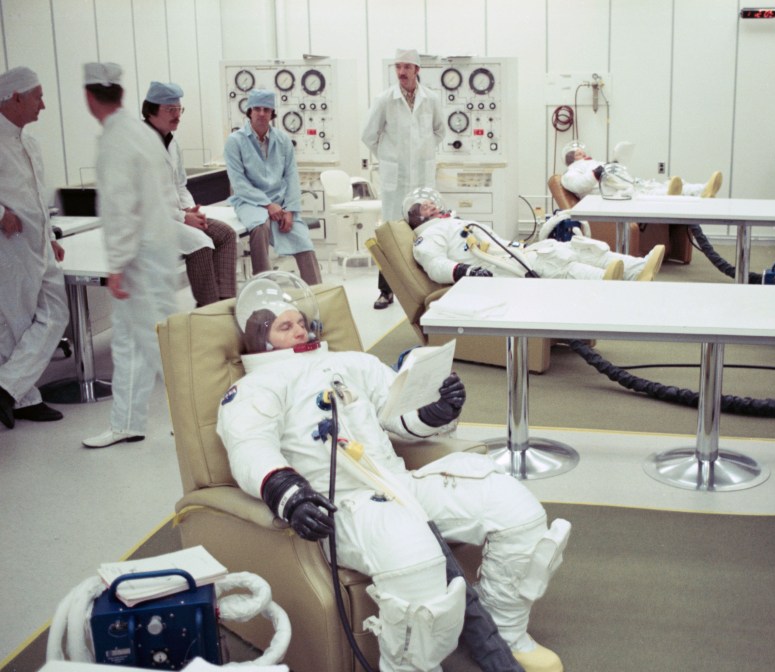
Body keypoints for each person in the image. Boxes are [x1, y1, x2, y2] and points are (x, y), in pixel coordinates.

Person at [218, 271, 570, 672]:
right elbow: (249, 446)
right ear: (257, 337)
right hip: (342, 508)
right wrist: (289, 492)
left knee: (515, 509)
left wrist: (434, 411)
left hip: (399, 484)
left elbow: (397, 411)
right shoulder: (256, 387)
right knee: (413, 555)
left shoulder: (351, 363)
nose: (299, 330)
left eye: (300, 321)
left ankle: (506, 632)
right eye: (285, 326)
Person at [81, 62, 179, 448]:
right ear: (121, 94)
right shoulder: (141, 133)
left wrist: (117, 264)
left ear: (90, 97)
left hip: (139, 255)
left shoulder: (117, 139)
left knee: (156, 342)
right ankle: (128, 421)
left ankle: (198, 418)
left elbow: (121, 206)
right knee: (131, 341)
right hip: (155, 248)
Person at [0, 66, 69, 429]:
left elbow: (38, 199)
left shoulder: (29, 142)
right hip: (8, 248)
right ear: (16, 98)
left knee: (56, 313)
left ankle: (7, 390)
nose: (43, 104)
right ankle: (24, 399)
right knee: (15, 323)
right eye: (37, 96)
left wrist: (52, 237)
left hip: (39, 244)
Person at [407, 189, 665, 283]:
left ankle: (638, 268)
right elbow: (434, 264)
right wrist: (465, 271)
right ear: (417, 218)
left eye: (430, 203)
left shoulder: (452, 223)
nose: (431, 206)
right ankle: (607, 283)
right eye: (423, 207)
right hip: (494, 269)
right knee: (553, 261)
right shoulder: (429, 235)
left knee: (569, 247)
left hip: (511, 254)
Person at [362, 48, 445, 310]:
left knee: (425, 229)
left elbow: (439, 131)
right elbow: (368, 135)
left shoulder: (430, 99)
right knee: (390, 232)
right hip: (395, 178)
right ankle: (385, 291)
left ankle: (425, 287)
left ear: (417, 70)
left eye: (407, 67)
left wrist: (422, 153)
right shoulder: (385, 99)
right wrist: (389, 157)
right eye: (398, 67)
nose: (401, 72)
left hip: (421, 175)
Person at [143, 81, 237, 307]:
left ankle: (226, 303)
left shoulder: (172, 142)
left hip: (177, 216)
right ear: (152, 110)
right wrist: (183, 218)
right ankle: (208, 310)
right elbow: (147, 198)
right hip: (151, 222)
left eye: (179, 109)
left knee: (226, 234)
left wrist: (190, 209)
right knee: (201, 243)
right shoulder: (141, 144)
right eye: (171, 110)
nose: (178, 116)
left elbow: (181, 184)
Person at [224, 89, 321, 286]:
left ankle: (318, 294)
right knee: (260, 227)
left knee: (303, 241)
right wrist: (267, 205)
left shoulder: (282, 140)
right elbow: (239, 183)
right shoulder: (235, 142)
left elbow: (291, 175)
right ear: (249, 111)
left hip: (281, 202)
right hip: (249, 201)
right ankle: (265, 287)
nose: (261, 113)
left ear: (272, 113)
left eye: (266, 109)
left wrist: (291, 210)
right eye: (257, 109)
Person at [561, 142, 722, 199]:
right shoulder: (570, 174)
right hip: (610, 197)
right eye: (577, 153)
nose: (581, 154)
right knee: (651, 194)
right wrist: (597, 172)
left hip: (623, 188)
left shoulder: (595, 163)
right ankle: (698, 191)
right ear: (570, 158)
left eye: (581, 151)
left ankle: (701, 189)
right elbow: (578, 185)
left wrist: (614, 163)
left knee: (654, 187)